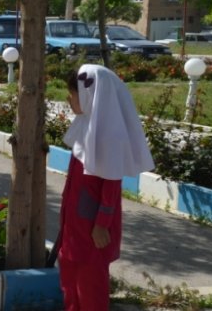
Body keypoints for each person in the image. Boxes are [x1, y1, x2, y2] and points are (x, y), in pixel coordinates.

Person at [57, 64, 154, 310]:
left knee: (90, 284)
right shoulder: (86, 126)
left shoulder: (109, 135)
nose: (69, 99)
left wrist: (102, 224)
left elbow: (111, 183)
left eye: (74, 92)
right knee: (70, 277)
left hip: (92, 228)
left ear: (90, 94)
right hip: (73, 223)